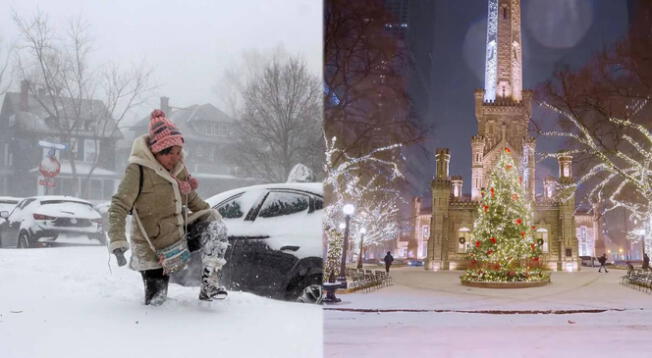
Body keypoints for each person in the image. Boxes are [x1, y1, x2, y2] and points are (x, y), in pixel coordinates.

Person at [108, 109, 229, 305]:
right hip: (152, 248)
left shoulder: (179, 170)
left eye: (178, 152)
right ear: (157, 151)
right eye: (170, 153)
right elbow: (118, 205)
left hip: (179, 237)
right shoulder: (138, 170)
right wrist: (117, 240)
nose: (176, 157)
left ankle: (210, 284)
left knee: (215, 224)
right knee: (157, 302)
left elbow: (193, 201)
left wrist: (213, 215)